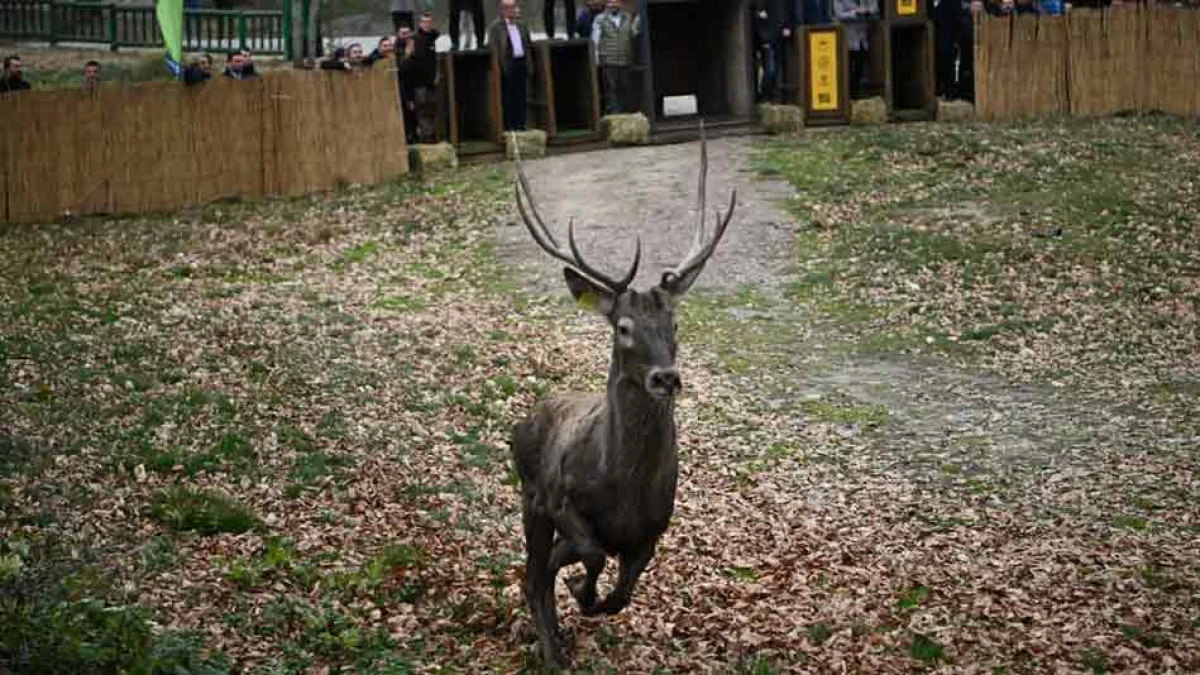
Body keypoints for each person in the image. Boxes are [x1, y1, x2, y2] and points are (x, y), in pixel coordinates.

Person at [487, 0, 534, 131]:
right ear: (503, 9)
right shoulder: (495, 27)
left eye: (514, 7)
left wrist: (529, 64)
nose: (513, 10)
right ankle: (510, 126)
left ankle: (521, 125)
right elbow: (494, 49)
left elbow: (528, 45)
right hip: (507, 66)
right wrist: (498, 68)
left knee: (522, 96)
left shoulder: (522, 24)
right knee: (508, 98)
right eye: (509, 8)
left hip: (521, 63)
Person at [592, 0, 641, 115]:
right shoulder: (600, 19)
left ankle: (624, 113)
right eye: (611, 4)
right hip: (608, 60)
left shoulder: (628, 18)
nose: (613, 6)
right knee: (610, 90)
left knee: (624, 89)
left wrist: (639, 20)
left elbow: (633, 34)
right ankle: (613, 114)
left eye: (616, 3)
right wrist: (596, 58)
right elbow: (595, 39)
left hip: (625, 60)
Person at [834, 0, 876, 99]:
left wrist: (867, 11)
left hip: (863, 37)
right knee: (847, 71)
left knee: (859, 69)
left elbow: (875, 9)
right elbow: (839, 14)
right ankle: (846, 99)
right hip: (848, 38)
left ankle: (855, 97)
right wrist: (855, 13)